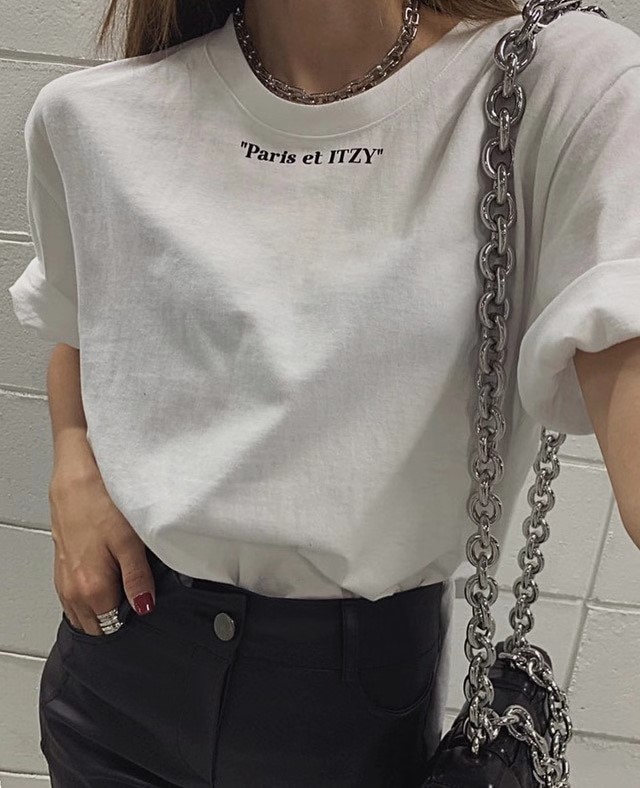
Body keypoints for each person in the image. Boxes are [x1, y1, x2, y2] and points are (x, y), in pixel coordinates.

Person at [8, 0, 640, 785]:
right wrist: (72, 462)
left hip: (351, 711)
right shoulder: (90, 115)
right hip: (116, 672)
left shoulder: (561, 82)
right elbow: (80, 327)